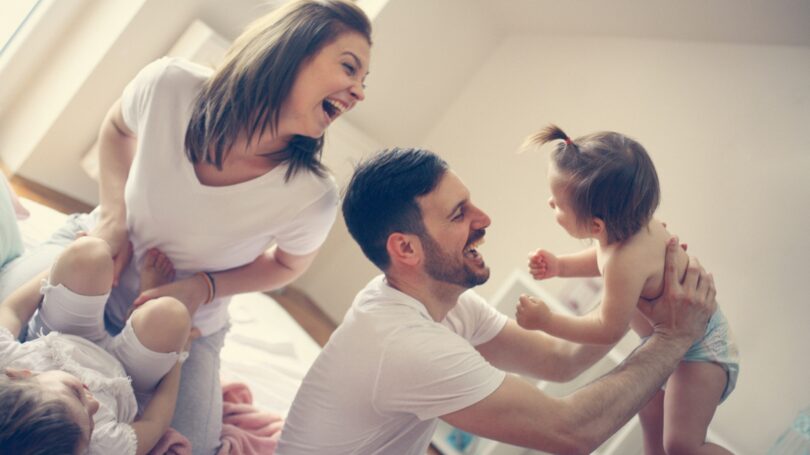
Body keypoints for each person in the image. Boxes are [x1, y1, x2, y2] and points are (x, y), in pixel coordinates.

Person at [0, 0, 371, 452]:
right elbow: (117, 128)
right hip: (89, 275)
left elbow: (286, 265)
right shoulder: (170, 85)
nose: (359, 93)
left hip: (180, 324)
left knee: (187, 444)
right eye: (350, 68)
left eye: (363, 81)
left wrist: (204, 289)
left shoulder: (311, 195)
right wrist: (114, 219)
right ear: (292, 48)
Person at [276, 147, 718, 455]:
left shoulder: (442, 303)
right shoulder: (401, 343)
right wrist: (673, 336)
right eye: (459, 213)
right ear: (406, 249)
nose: (484, 219)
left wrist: (633, 288)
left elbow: (559, 361)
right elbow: (570, 434)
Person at [517, 125, 739, 455]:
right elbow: (602, 257)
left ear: (596, 226)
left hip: (700, 352)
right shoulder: (633, 230)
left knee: (680, 445)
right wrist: (561, 266)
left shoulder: (626, 261)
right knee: (648, 413)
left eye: (558, 204)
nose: (550, 202)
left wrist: (546, 320)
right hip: (669, 344)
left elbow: (606, 329)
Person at [0, 236, 192, 455]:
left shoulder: (6, 361)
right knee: (172, 316)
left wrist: (53, 271)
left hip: (64, 334)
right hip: (126, 378)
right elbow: (155, 423)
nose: (94, 405)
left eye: (74, 392)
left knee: (88, 253)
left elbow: (12, 310)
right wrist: (179, 356)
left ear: (21, 374)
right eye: (90, 426)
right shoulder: (103, 448)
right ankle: (145, 301)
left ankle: (112, 270)